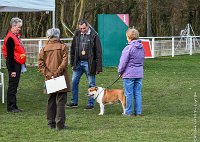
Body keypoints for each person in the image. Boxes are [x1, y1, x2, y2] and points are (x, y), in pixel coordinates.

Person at [38, 28, 71, 130]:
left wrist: (49, 74)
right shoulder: (63, 47)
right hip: (60, 77)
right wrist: (56, 74)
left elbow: (40, 65)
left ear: (48, 36)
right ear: (58, 35)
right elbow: (64, 63)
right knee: (61, 101)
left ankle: (51, 123)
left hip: (49, 77)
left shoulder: (43, 49)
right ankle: (60, 124)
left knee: (51, 100)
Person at [67, 19, 102, 110]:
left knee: (91, 84)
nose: (82, 30)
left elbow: (98, 52)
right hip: (78, 63)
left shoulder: (94, 35)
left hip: (89, 63)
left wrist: (98, 67)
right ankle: (74, 102)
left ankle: (90, 104)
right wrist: (72, 63)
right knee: (74, 82)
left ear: (88, 26)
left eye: (84, 28)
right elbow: (73, 49)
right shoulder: (77, 34)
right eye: (81, 28)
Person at [118, 27, 144, 116]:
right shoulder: (141, 47)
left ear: (129, 37)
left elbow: (123, 62)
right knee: (137, 93)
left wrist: (120, 72)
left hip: (129, 74)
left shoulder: (128, 48)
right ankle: (138, 112)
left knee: (128, 94)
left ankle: (128, 112)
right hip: (139, 73)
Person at [2, 17, 26, 113]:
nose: (20, 29)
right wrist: (11, 70)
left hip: (17, 64)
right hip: (13, 64)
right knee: (12, 86)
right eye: (18, 27)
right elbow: (10, 56)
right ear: (13, 26)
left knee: (14, 86)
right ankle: (11, 107)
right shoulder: (10, 38)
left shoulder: (15, 36)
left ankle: (14, 105)